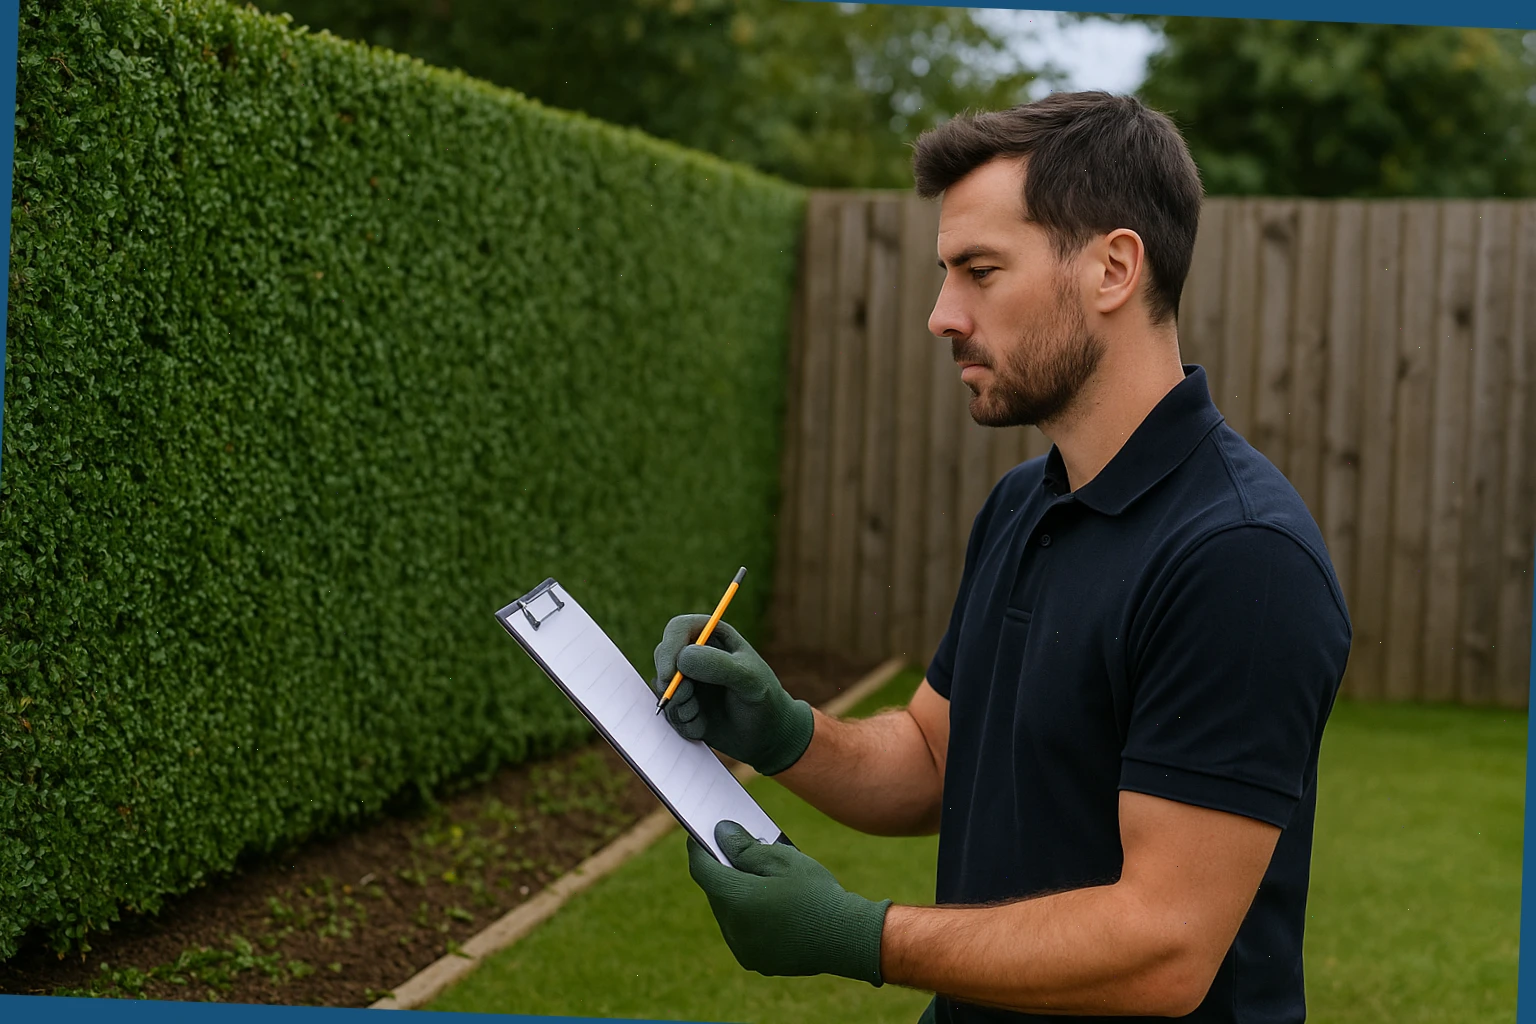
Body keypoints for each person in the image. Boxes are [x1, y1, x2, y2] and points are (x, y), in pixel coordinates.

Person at [649, 91, 1351, 1023]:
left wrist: (860, 934)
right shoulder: (1027, 502)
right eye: (947, 273)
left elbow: (1166, 947)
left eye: (979, 270)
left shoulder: (1239, 558)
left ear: (1113, 267)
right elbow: (939, 758)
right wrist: (781, 732)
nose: (942, 315)